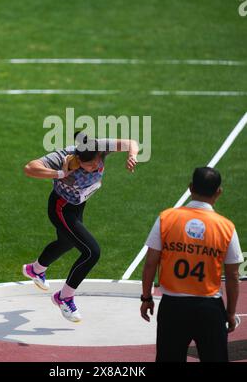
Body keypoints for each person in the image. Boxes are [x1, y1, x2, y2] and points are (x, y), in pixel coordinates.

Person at [23, 133, 139, 322]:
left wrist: (132, 155)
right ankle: (64, 297)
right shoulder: (63, 157)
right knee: (92, 252)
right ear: (77, 159)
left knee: (67, 242)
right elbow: (29, 168)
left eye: (96, 163)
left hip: (78, 205)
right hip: (61, 207)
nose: (94, 167)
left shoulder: (100, 147)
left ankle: (35, 269)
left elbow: (130, 142)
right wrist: (60, 173)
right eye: (89, 165)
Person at [140, 167, 243, 362]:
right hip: (210, 310)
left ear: (190, 188)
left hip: (173, 309)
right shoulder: (226, 227)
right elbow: (233, 276)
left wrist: (146, 298)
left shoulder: (166, 218)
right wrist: (229, 313)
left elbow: (150, 264)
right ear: (218, 192)